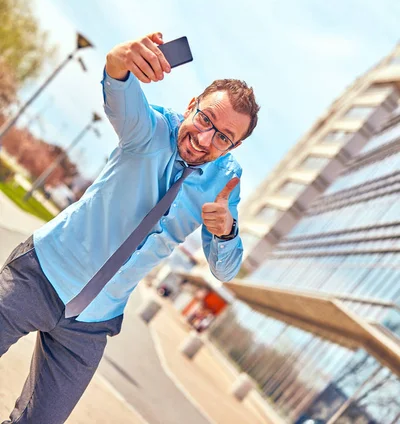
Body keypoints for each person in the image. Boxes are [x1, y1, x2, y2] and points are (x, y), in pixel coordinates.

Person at [0, 32, 260, 424]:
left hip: (91, 323)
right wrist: (120, 59)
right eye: (205, 118)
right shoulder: (148, 131)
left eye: (223, 136)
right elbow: (118, 84)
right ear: (193, 105)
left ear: (233, 146)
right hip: (41, 276)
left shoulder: (224, 184)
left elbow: (225, 268)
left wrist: (226, 231)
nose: (204, 137)